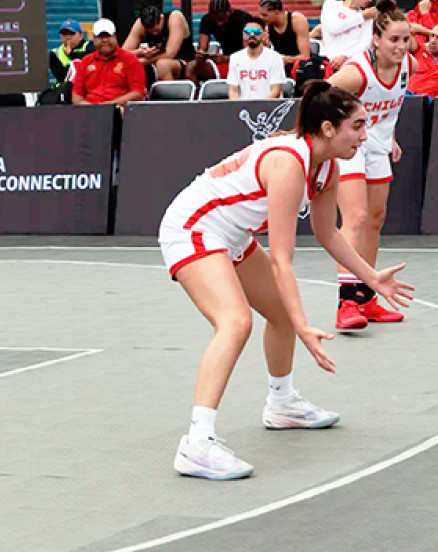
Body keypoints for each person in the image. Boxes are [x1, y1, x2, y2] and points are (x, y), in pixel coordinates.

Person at [161, 81, 414, 480]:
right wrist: (303, 327)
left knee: (278, 312)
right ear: (329, 128)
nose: (365, 135)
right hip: (193, 227)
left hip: (231, 233)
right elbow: (281, 259)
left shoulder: (326, 165)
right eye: (358, 126)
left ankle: (281, 404)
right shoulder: (289, 164)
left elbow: (327, 233)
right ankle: (196, 442)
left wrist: (370, 278)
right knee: (235, 321)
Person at [327, 0, 417, 330]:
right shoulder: (354, 73)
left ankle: (366, 297)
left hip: (377, 142)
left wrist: (389, 137)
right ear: (376, 40)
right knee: (355, 217)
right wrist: (327, 140)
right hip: (348, 145)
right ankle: (346, 301)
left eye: (405, 39)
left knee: (375, 221)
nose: (400, 46)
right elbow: (320, 97)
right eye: (393, 39)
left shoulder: (410, 66)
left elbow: (389, 109)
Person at [72, 19, 145, 107]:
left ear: (115, 37)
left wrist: (110, 105)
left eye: (108, 36)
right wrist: (90, 108)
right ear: (94, 40)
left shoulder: (130, 59)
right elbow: (76, 95)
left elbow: (137, 93)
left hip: (119, 108)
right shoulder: (85, 62)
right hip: (90, 110)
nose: (105, 40)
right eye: (100, 37)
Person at [123, 5, 194, 86]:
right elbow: (123, 53)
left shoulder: (174, 17)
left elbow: (170, 53)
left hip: (182, 60)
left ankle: (171, 96)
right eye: (150, 32)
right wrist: (140, 52)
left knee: (162, 65)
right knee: (125, 64)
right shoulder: (140, 23)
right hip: (153, 61)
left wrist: (144, 61)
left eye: (156, 30)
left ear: (161, 18)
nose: (154, 33)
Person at [187, 0, 253, 82]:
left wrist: (227, 58)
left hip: (243, 61)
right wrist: (201, 55)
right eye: (215, 18)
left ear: (229, 12)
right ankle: (196, 91)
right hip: (224, 59)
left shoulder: (243, 19)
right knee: (191, 67)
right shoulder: (207, 20)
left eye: (222, 17)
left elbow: (249, 53)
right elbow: (202, 48)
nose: (219, 23)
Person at [321, 0, 379, 72]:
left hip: (353, 64)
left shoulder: (367, 17)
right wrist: (361, 17)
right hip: (328, 62)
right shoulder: (331, 5)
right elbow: (334, 28)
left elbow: (365, 43)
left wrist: (345, 56)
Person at [226, 18, 288, 100]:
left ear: (264, 34)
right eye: (247, 32)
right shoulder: (235, 58)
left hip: (269, 108)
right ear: (243, 34)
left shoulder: (275, 58)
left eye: (257, 32)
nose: (252, 35)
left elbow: (276, 91)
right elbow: (233, 91)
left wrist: (259, 107)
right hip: (243, 109)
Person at [258, 0, 311, 74]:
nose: (261, 17)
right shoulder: (267, 26)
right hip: (279, 67)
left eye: (264, 15)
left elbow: (305, 56)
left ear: (276, 12)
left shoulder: (297, 20)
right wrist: (266, 46)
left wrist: (285, 59)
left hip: (300, 68)